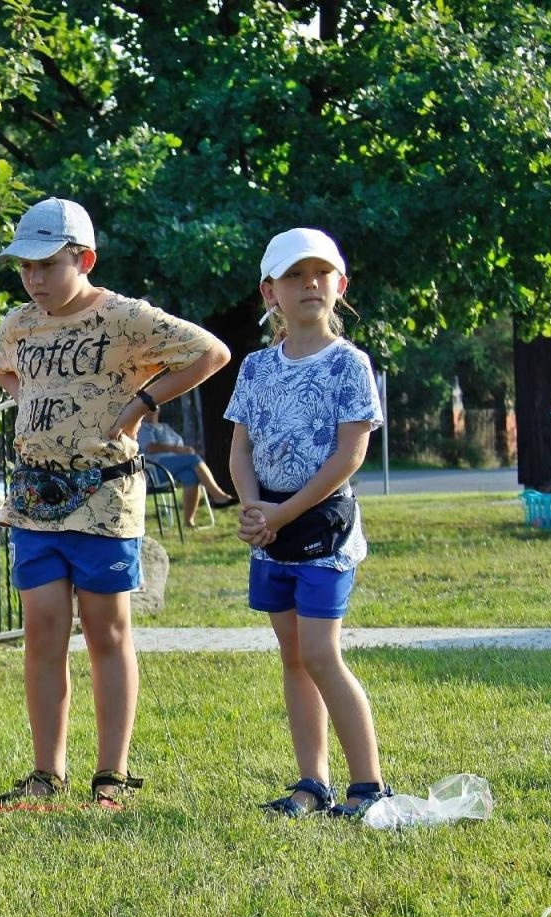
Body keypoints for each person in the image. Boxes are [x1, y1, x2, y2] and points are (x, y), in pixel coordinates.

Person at [0, 197, 229, 808]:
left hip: (104, 494)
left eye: (47, 265)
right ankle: (47, 773)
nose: (34, 278)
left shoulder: (124, 318)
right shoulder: (19, 323)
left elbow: (210, 352)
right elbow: (6, 372)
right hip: (36, 494)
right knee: (42, 630)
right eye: (25, 267)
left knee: (106, 631)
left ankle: (111, 775)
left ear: (84, 258)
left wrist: (143, 403)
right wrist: (40, 405)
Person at [225, 227, 388, 818]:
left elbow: (350, 454)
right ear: (271, 292)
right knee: (293, 656)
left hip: (323, 527)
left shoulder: (351, 364)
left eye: (320, 274)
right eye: (294, 275)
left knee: (321, 653)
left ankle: (367, 786)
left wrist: (282, 512)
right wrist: (251, 506)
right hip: (270, 526)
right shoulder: (256, 368)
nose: (309, 284)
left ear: (339, 286)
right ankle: (310, 784)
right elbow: (241, 447)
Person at [136, 407, 238, 527]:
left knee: (191, 476)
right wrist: (177, 449)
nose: (151, 411)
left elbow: (180, 444)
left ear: (159, 410)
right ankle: (218, 496)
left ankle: (188, 521)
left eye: (154, 408)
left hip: (174, 466)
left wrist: (185, 450)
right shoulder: (142, 428)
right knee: (194, 459)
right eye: (147, 409)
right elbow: (151, 448)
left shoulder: (166, 428)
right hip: (156, 470)